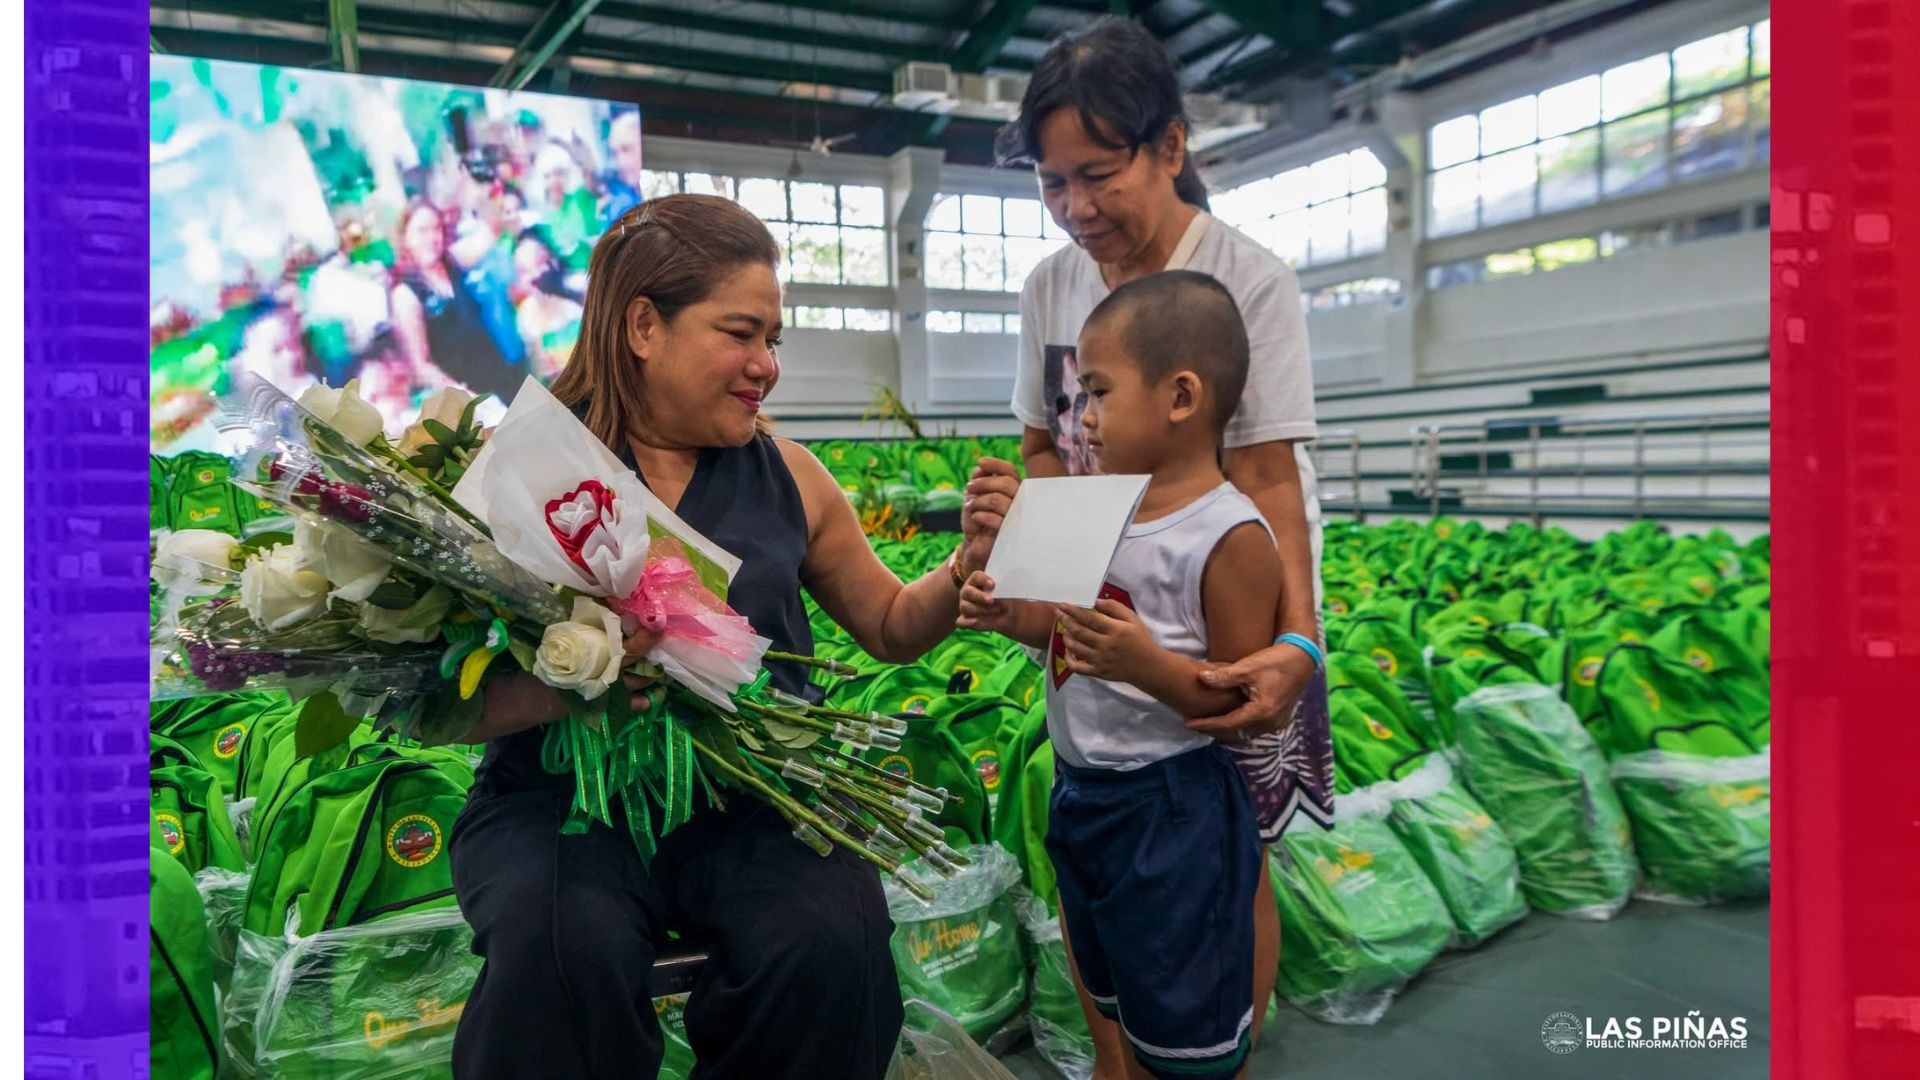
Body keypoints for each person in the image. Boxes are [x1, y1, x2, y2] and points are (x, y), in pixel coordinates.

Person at [447, 193, 1021, 1080]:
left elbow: (890, 626)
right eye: (741, 334)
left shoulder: (792, 473)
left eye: (775, 341)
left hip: (754, 800)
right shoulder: (524, 471)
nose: (766, 367)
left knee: (834, 943)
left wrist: (962, 569)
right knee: (563, 947)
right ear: (644, 325)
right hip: (561, 803)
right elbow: (440, 703)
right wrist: (571, 683)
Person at [998, 16, 1335, 1072]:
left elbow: (1272, 476)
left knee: (1232, 850)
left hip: (1221, 588)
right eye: (1054, 184)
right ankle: (1120, 1061)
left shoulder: (1249, 276)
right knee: (1098, 824)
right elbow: (1042, 451)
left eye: (1098, 175)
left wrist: (1298, 649)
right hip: (1106, 598)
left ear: (1172, 148)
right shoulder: (1051, 285)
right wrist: (1037, 592)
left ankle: (1213, 1052)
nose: (1077, 208)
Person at [959, 271, 1281, 1080]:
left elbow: (1246, 706)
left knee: (1191, 1034)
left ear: (1180, 397)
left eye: (1097, 393)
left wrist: (1151, 667)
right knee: (1116, 993)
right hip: (1084, 792)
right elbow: (1060, 629)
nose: (1082, 419)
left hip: (1174, 808)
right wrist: (1011, 611)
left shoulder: (1229, 534)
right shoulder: (1092, 508)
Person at [388, 199, 525, 400]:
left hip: (501, 373)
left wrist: (478, 188)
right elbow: (421, 365)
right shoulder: (406, 294)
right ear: (405, 238)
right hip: (469, 396)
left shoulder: (453, 260)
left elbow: (490, 231)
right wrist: (464, 397)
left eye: (436, 229)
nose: (432, 237)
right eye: (422, 231)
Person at [509, 225, 584, 379]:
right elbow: (539, 374)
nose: (533, 276)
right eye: (524, 271)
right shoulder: (526, 316)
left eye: (539, 263)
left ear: (553, 261)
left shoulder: (579, 295)